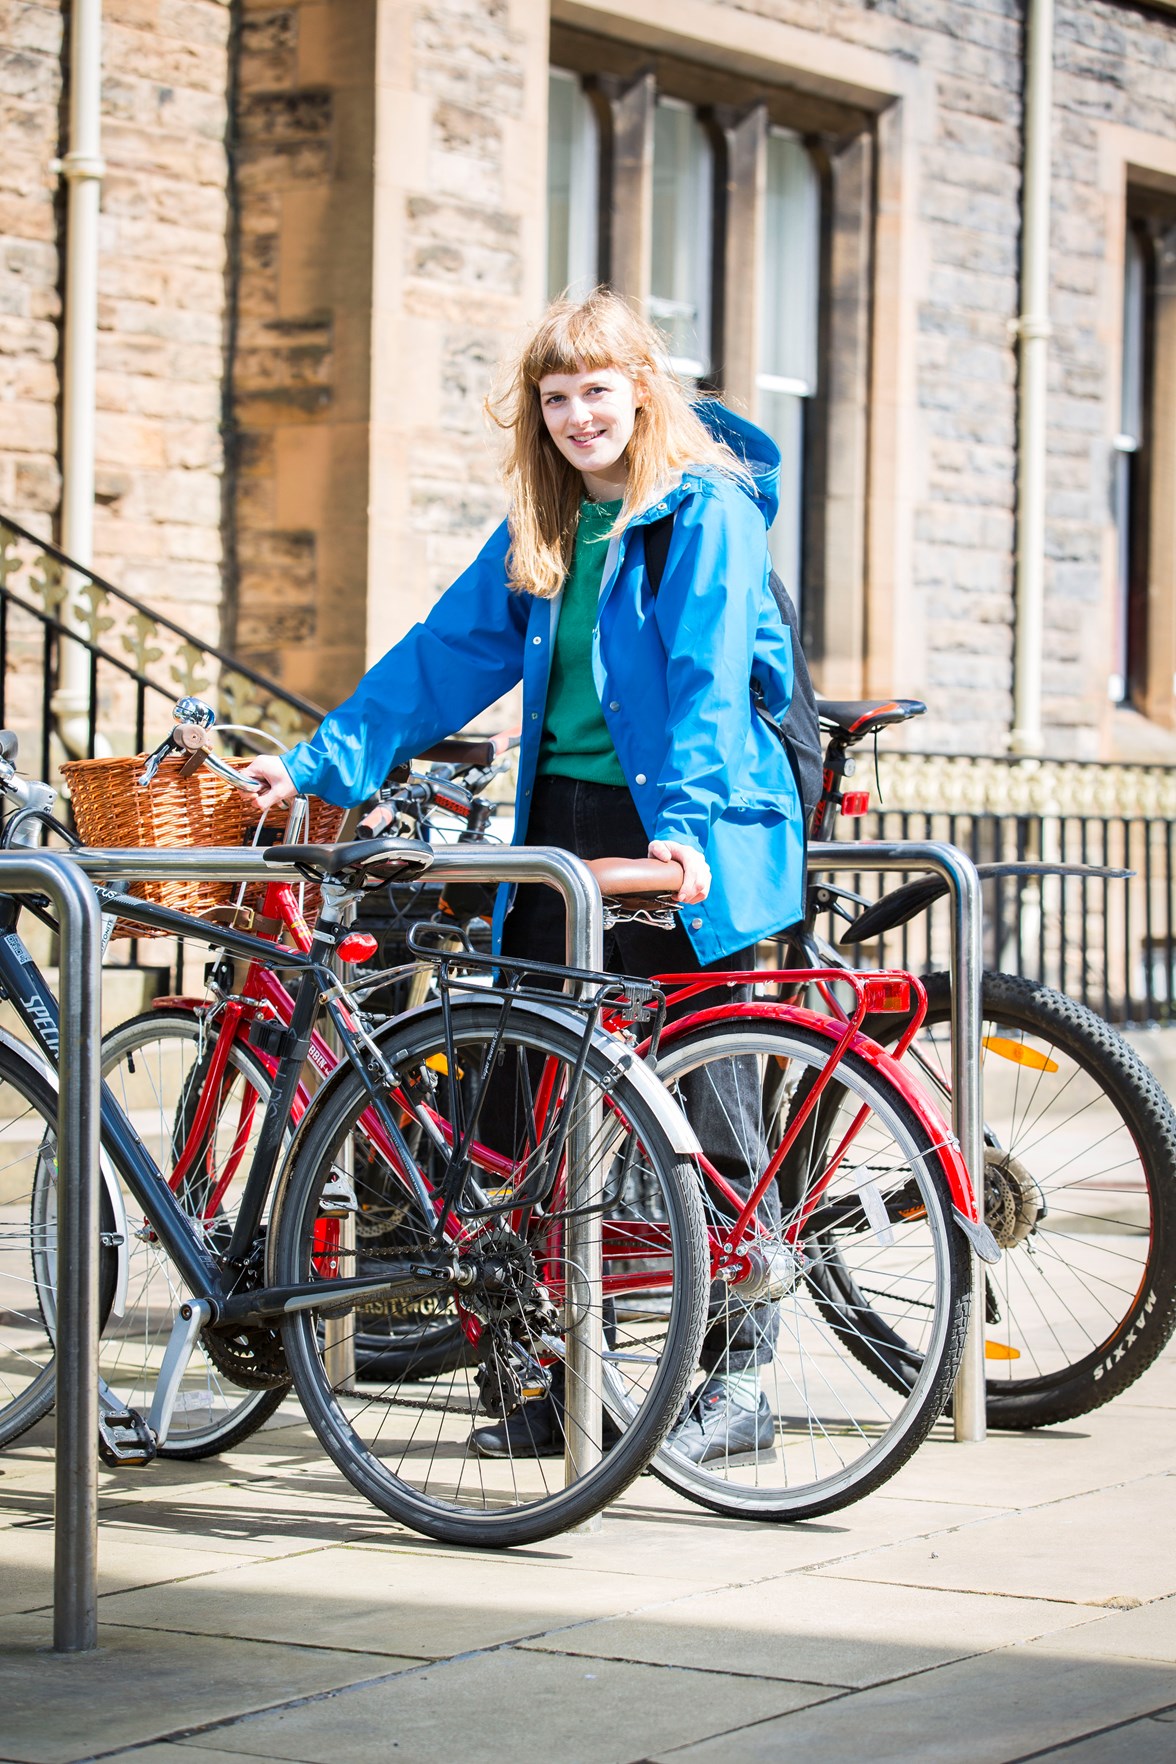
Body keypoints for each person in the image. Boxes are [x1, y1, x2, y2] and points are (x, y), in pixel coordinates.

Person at [243, 287, 807, 1462]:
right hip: (566, 832)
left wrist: (692, 833)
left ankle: (741, 1381)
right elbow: (436, 663)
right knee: (550, 1119)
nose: (579, 416)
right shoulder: (544, 532)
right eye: (557, 398)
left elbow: (706, 676)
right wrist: (313, 766)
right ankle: (577, 1377)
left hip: (686, 840)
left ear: (643, 389)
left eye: (598, 390)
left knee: (710, 1109)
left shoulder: (707, 511)